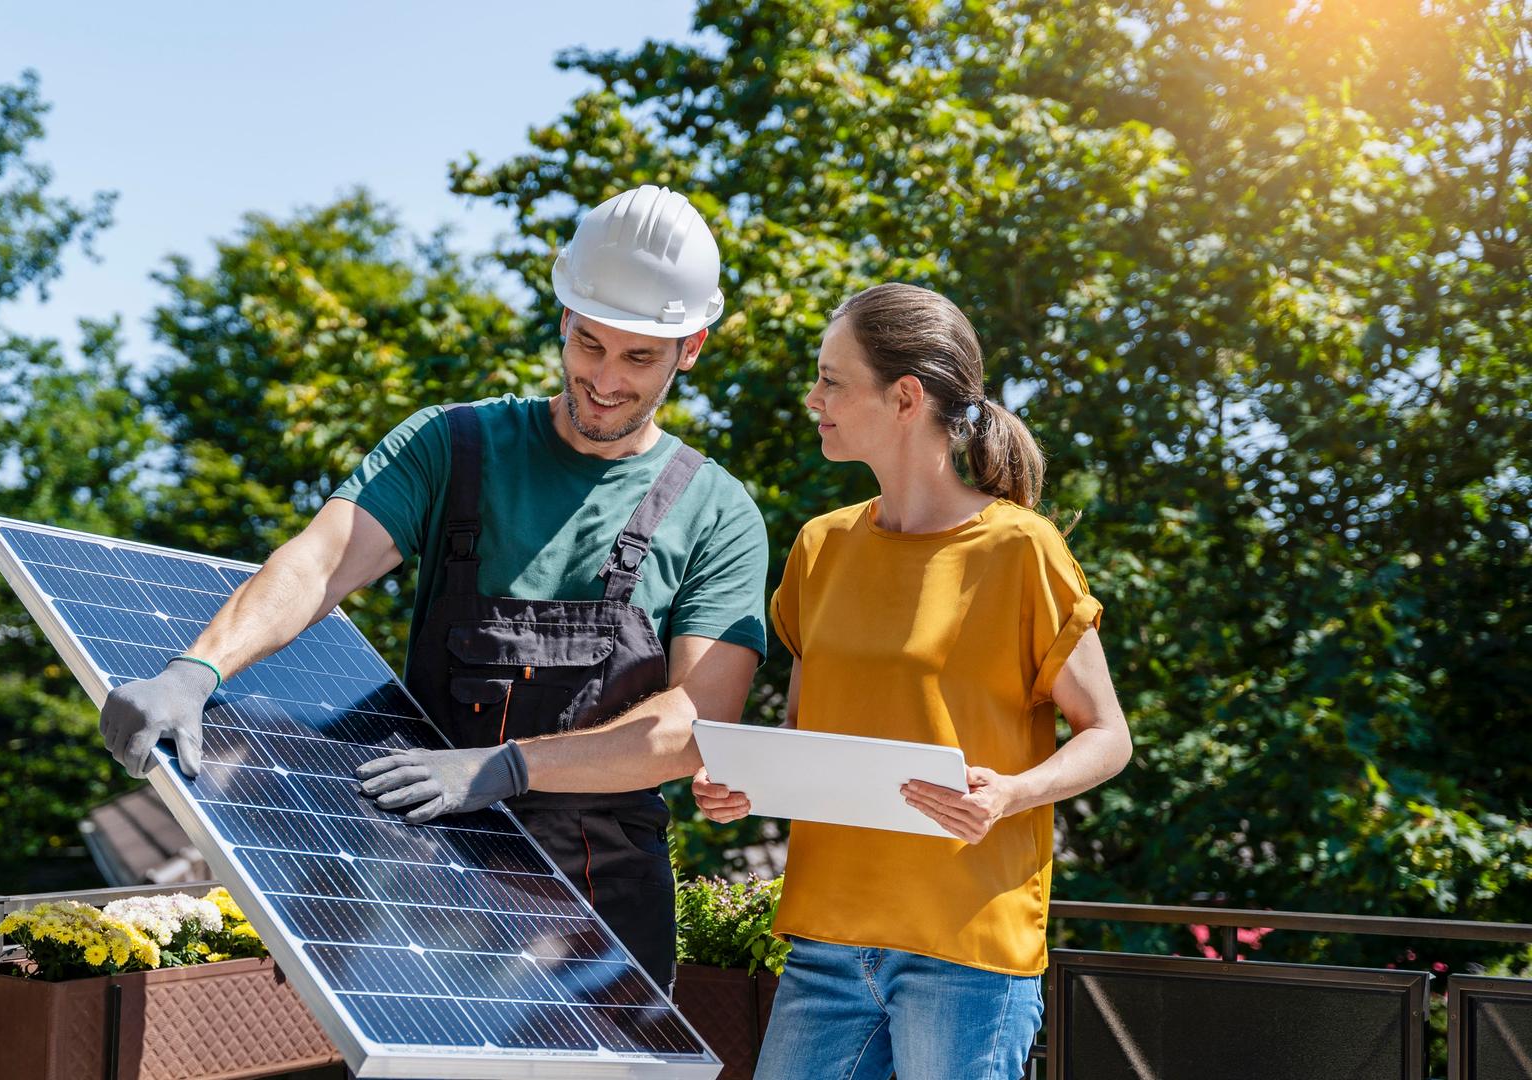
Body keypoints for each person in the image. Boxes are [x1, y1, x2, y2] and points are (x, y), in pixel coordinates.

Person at [99, 185, 769, 986]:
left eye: (639, 357)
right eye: (589, 344)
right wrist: (197, 669)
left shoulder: (715, 510)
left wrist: (504, 768)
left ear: (690, 347)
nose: (605, 379)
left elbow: (695, 723)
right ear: (562, 318)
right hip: (415, 886)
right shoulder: (451, 447)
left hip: (597, 920)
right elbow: (320, 560)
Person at [692, 282, 1133, 1080]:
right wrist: (748, 783)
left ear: (904, 397)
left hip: (966, 955)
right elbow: (807, 735)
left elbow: (1109, 736)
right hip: (826, 946)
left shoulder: (1019, 551)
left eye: (832, 379)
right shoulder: (819, 548)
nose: (812, 397)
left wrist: (1009, 793)